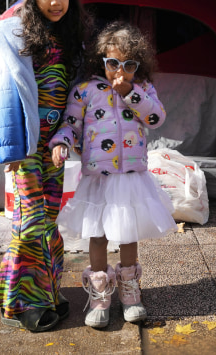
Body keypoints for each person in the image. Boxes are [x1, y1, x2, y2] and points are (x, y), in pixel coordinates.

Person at [0, 0, 91, 332]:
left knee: (47, 220)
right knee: (32, 222)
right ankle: (27, 303)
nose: (56, 1)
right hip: (26, 146)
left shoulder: (71, 40)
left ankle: (31, 291)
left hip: (54, 146)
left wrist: (69, 136)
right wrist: (11, 148)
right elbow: (0, 96)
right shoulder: (12, 37)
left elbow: (76, 95)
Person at [50, 21, 176, 328]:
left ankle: (130, 291)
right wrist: (61, 142)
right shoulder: (86, 91)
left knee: (127, 232)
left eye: (128, 64)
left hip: (131, 176)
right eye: (112, 63)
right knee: (98, 234)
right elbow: (70, 123)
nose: (120, 70)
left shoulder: (142, 88)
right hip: (98, 176)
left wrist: (131, 92)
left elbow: (157, 117)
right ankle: (100, 293)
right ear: (100, 60)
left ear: (138, 64)